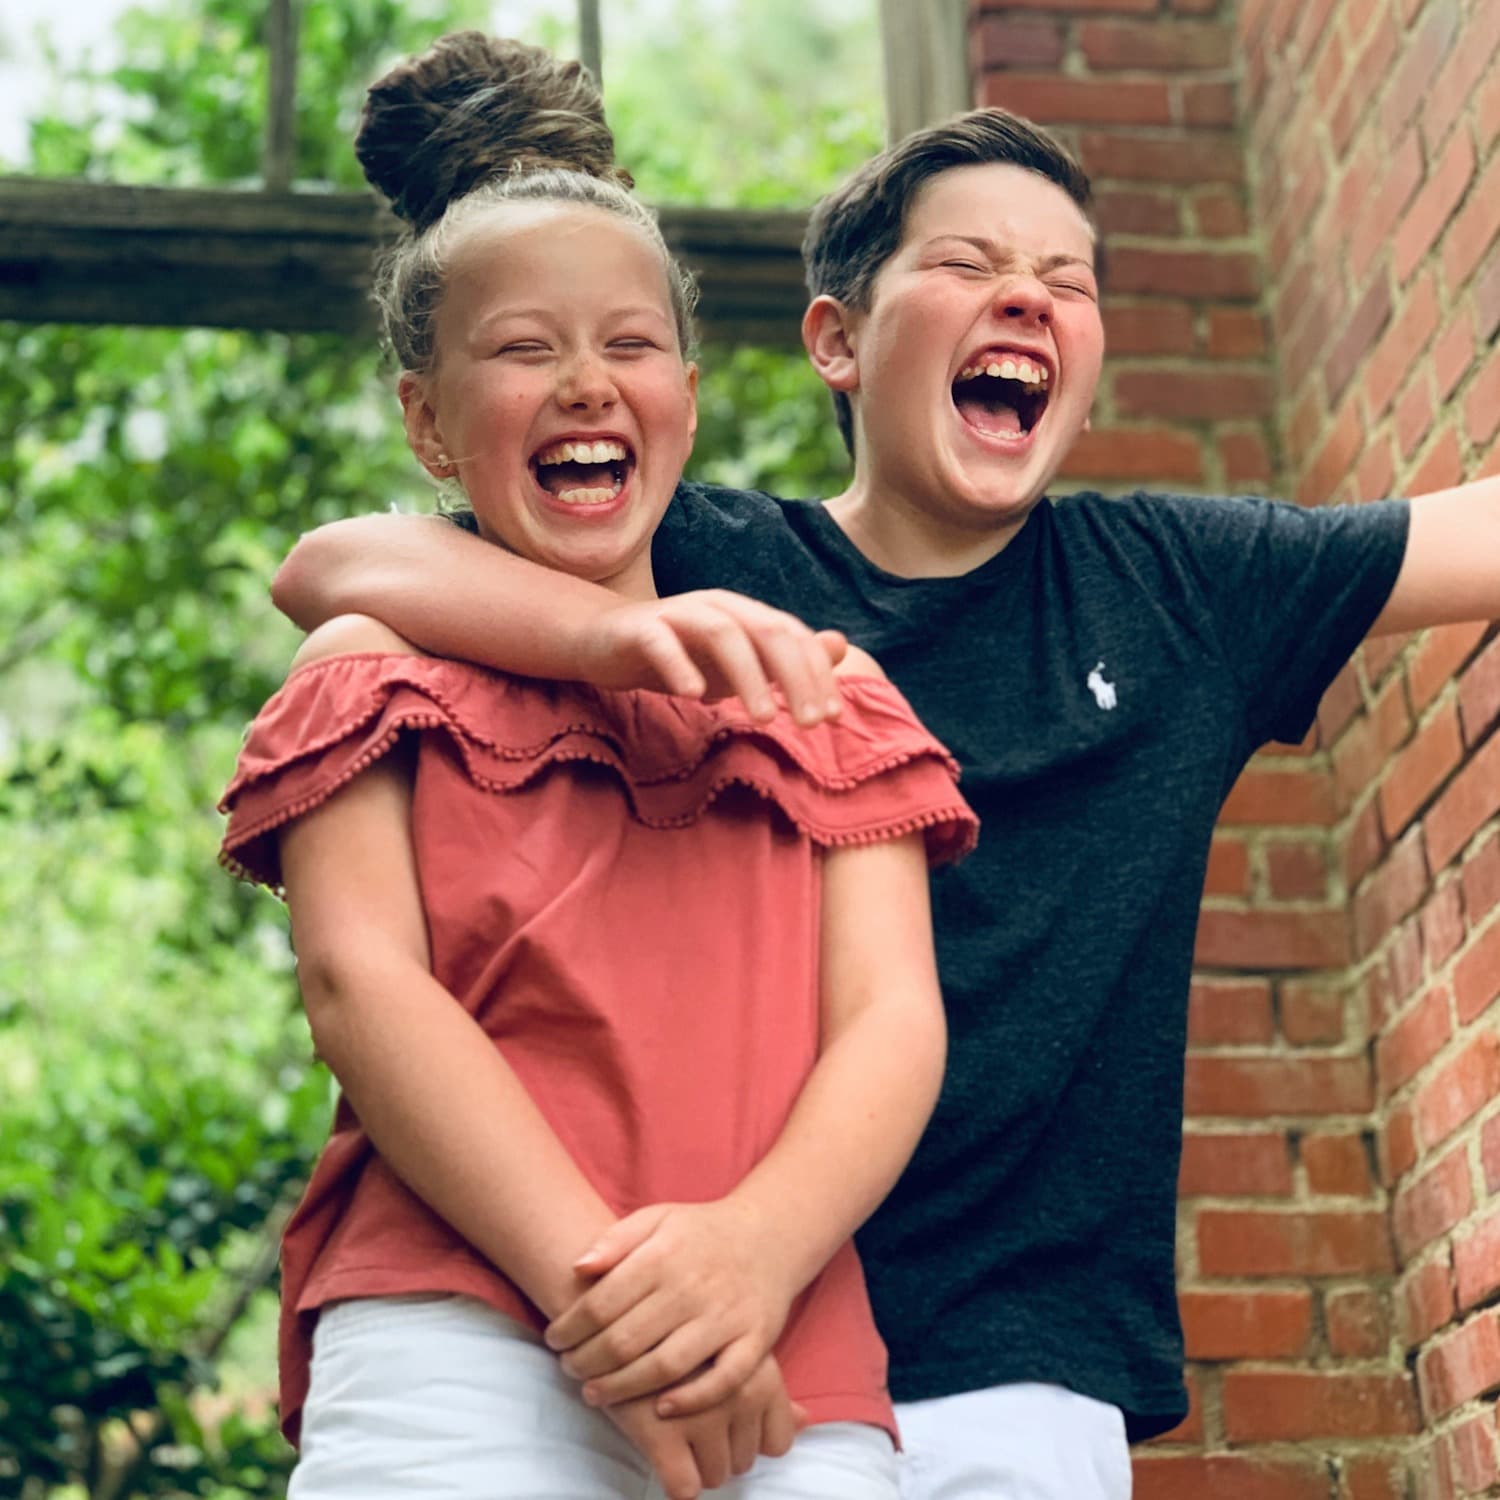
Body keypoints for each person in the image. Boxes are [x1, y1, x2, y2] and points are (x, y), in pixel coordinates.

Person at [270, 92, 1500, 1500]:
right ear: (835, 341)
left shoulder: (1185, 588)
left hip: (1002, 1350)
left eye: (1067, 279)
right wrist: (605, 632)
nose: (1025, 299)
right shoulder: (713, 570)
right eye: (970, 267)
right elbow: (344, 567)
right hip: (659, 1300)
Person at [218, 33, 978, 1500]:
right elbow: (363, 988)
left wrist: (745, 1260)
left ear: (685, 395)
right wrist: (617, 1307)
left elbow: (892, 1024)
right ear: (427, 419)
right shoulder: (371, 668)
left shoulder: (831, 692)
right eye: (522, 351)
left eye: (629, 346)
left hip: (782, 1362)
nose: (584, 382)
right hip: (461, 1341)